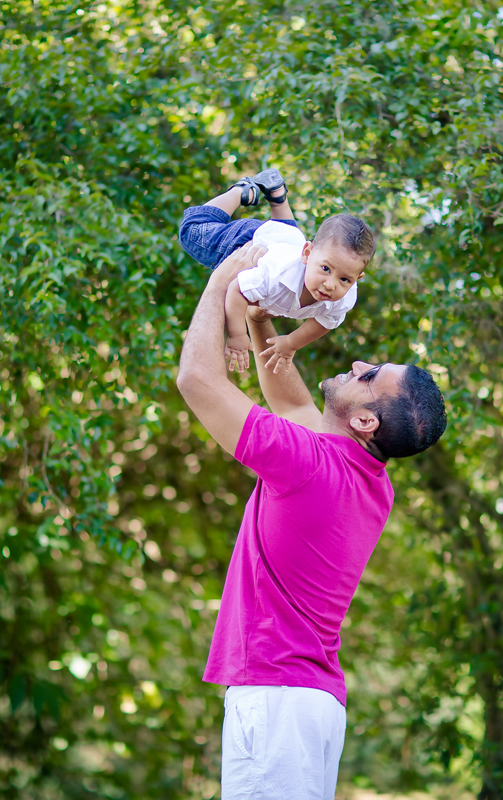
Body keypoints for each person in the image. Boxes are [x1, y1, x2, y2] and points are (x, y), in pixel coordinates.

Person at [175, 242, 447, 799]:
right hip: (312, 705)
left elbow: (196, 381)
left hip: (277, 699)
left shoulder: (309, 465)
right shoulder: (370, 482)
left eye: (368, 375)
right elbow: (296, 410)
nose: (355, 363)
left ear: (366, 417)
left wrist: (222, 279)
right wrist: (258, 322)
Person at [178, 168, 374, 374]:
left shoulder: (344, 299)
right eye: (325, 269)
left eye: (345, 279)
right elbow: (237, 290)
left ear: (357, 278)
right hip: (250, 242)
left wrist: (291, 343)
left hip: (287, 237)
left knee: (286, 234)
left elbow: (326, 321)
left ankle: (277, 196)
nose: (331, 284)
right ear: (307, 253)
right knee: (191, 231)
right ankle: (242, 191)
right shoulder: (276, 276)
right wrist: (237, 335)